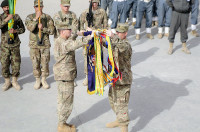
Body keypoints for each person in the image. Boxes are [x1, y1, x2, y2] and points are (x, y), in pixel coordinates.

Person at [53, 23, 90, 132]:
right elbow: (75, 44)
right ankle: (61, 126)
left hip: (62, 76)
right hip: (65, 76)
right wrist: (89, 37)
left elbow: (72, 38)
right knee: (67, 102)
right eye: (68, 30)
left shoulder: (60, 40)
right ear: (62, 31)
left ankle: (62, 122)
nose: (70, 31)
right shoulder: (64, 43)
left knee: (62, 100)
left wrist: (78, 33)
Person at [106, 23, 132, 132]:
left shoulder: (126, 44)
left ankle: (124, 128)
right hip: (115, 78)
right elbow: (106, 43)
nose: (117, 33)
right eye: (116, 32)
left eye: (119, 32)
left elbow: (121, 47)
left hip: (123, 80)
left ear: (125, 33)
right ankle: (119, 120)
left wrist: (113, 36)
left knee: (122, 104)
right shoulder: (116, 41)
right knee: (112, 99)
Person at [25, 0, 55, 89]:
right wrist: (35, 20)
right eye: (36, 7)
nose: (38, 8)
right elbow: (30, 28)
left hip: (44, 44)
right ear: (34, 7)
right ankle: (37, 79)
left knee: (45, 62)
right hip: (34, 45)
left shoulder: (47, 17)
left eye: (40, 6)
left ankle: (44, 79)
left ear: (42, 7)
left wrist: (43, 29)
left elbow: (52, 31)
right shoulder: (29, 17)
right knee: (35, 62)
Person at [80, 0, 108, 86]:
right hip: (88, 38)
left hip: (98, 37)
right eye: (93, 2)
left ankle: (99, 75)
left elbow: (105, 26)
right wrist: (86, 33)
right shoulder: (85, 12)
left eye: (96, 2)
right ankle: (87, 76)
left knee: (99, 56)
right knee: (87, 56)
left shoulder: (102, 12)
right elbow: (81, 27)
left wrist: (102, 34)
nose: (94, 4)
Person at [0, 0, 25, 91]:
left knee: (16, 64)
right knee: (4, 64)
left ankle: (14, 81)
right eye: (5, 7)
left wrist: (15, 31)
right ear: (2, 8)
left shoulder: (16, 16)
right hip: (4, 45)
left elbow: (22, 29)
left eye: (8, 7)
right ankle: (7, 81)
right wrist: (7, 19)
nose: (6, 9)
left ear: (11, 7)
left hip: (15, 44)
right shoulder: (1, 17)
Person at [53, 0, 79, 87]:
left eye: (68, 6)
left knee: (71, 60)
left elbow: (75, 29)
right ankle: (61, 77)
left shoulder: (73, 15)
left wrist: (70, 38)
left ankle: (71, 78)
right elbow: (58, 28)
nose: (66, 8)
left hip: (70, 41)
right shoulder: (57, 16)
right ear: (61, 5)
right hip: (60, 42)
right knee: (61, 61)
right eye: (64, 6)